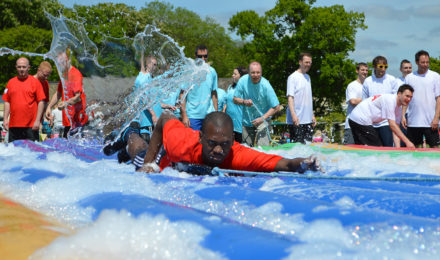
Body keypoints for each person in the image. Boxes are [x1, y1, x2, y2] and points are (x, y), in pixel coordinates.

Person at [106, 111, 320, 174]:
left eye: (225, 144)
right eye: (212, 143)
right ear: (201, 138)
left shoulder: (236, 154)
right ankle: (129, 134)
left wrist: (303, 163)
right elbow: (164, 119)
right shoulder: (182, 142)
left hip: (184, 163)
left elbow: (282, 163)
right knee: (138, 154)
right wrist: (149, 164)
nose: (219, 150)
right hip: (168, 156)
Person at [348, 84, 415, 148]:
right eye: (407, 96)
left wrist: (398, 150)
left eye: (411, 97)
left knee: (367, 148)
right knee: (377, 148)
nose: (409, 99)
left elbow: (396, 130)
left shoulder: (398, 109)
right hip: (360, 119)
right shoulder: (390, 100)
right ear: (399, 94)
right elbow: (392, 125)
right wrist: (407, 142)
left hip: (358, 119)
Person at [233, 61, 280, 147]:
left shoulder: (266, 85)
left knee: (262, 149)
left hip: (263, 121)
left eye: (258, 72)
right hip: (247, 121)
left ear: (261, 73)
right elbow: (235, 99)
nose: (255, 75)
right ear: (249, 73)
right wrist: (244, 102)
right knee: (246, 150)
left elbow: (276, 106)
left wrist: (262, 119)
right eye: (253, 72)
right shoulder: (243, 81)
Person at [2, 57, 46, 142]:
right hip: (14, 126)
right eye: (19, 67)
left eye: (24, 67)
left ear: (28, 67)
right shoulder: (11, 82)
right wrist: (5, 119)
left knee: (32, 153)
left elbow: (41, 102)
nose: (21, 69)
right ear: (16, 67)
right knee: (14, 152)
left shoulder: (35, 82)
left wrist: (37, 121)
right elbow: (7, 101)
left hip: (31, 126)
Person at [45, 51, 87, 138]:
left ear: (69, 60)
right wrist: (49, 106)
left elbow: (78, 97)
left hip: (78, 122)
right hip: (68, 121)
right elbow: (58, 93)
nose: (60, 65)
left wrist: (66, 103)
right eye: (59, 63)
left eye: (62, 62)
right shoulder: (64, 75)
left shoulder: (75, 74)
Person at [403, 50, 440, 148]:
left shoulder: (435, 76)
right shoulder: (409, 78)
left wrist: (436, 118)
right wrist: (402, 115)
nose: (425, 65)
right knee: (412, 149)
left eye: (427, 62)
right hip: (413, 122)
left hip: (431, 122)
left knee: (435, 149)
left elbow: (439, 98)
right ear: (416, 62)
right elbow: (405, 99)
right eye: (423, 62)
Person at [362, 56, 398, 147]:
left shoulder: (391, 79)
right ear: (374, 66)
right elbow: (364, 102)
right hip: (371, 123)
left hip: (386, 122)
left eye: (385, 67)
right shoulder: (368, 81)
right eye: (380, 66)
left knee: (387, 148)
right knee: (373, 149)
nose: (383, 69)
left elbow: (396, 100)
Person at [181, 44, 218, 131]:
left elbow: (214, 94)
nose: (203, 59)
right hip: (192, 116)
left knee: (208, 142)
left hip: (209, 115)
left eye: (205, 56)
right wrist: (184, 115)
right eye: (200, 56)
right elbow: (182, 95)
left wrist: (216, 113)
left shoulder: (212, 71)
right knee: (193, 142)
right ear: (195, 56)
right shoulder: (189, 71)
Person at [286, 53, 316, 144]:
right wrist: (293, 115)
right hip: (297, 120)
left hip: (308, 120)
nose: (308, 64)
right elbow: (290, 98)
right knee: (297, 150)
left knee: (307, 148)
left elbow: (307, 99)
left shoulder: (308, 77)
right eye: (306, 62)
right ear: (300, 62)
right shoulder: (292, 77)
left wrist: (312, 115)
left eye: (310, 62)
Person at [133, 54, 162, 140]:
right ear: (148, 64)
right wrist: (153, 115)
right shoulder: (144, 79)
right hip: (147, 123)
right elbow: (144, 99)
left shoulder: (149, 78)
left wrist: (164, 105)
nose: (155, 67)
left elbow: (151, 100)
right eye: (154, 64)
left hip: (151, 122)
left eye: (156, 65)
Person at [343, 62, 368, 145]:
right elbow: (353, 101)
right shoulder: (352, 85)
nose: (365, 72)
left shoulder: (368, 85)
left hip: (365, 125)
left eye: (366, 70)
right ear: (357, 71)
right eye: (362, 70)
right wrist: (367, 99)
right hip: (351, 125)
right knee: (349, 152)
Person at [226, 67, 247, 143]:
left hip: (241, 124)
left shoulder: (246, 88)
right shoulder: (230, 87)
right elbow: (227, 103)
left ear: (241, 76)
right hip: (229, 124)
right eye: (233, 74)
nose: (232, 75)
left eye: (235, 74)